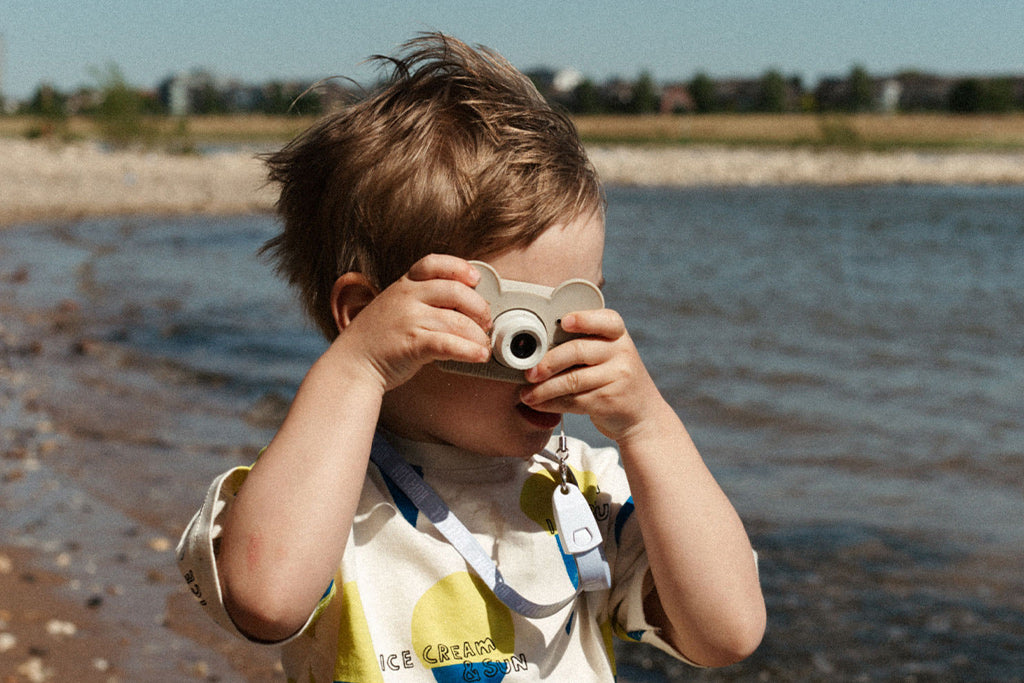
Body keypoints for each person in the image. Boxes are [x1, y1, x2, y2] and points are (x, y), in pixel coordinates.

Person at [177, 33, 765, 681]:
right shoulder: (325, 491)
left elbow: (728, 629)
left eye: (577, 313)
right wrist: (356, 366)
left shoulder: (587, 490)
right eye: (517, 325)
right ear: (369, 316)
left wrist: (648, 424)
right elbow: (266, 599)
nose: (548, 353)